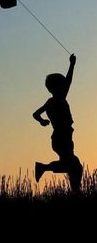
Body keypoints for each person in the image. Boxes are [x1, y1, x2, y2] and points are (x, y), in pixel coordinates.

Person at [33, 54, 82, 192]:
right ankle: (43, 167)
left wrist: (42, 121)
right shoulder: (59, 99)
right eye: (62, 85)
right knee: (73, 165)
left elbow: (35, 114)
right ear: (57, 88)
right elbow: (69, 82)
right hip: (62, 136)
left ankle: (75, 191)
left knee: (73, 165)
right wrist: (72, 65)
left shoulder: (50, 102)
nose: (65, 87)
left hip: (60, 137)